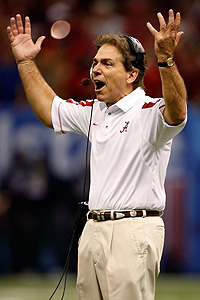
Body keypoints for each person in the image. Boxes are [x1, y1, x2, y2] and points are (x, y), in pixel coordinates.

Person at [7, 9, 187, 300]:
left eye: (107, 63)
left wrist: (166, 60)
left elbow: (178, 112)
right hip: (92, 229)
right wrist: (25, 61)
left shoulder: (149, 111)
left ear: (132, 74)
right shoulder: (94, 111)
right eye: (94, 63)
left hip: (133, 229)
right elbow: (49, 110)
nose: (95, 70)